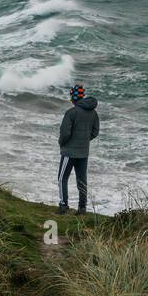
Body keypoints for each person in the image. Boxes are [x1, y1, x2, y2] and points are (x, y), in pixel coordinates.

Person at [57, 84, 99, 214]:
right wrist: (84, 140)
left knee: (62, 178)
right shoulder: (93, 113)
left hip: (69, 152)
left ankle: (63, 205)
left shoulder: (71, 113)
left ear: (73, 97)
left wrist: (62, 143)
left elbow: (65, 133)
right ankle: (82, 208)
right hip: (83, 152)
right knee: (82, 180)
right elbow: (95, 132)